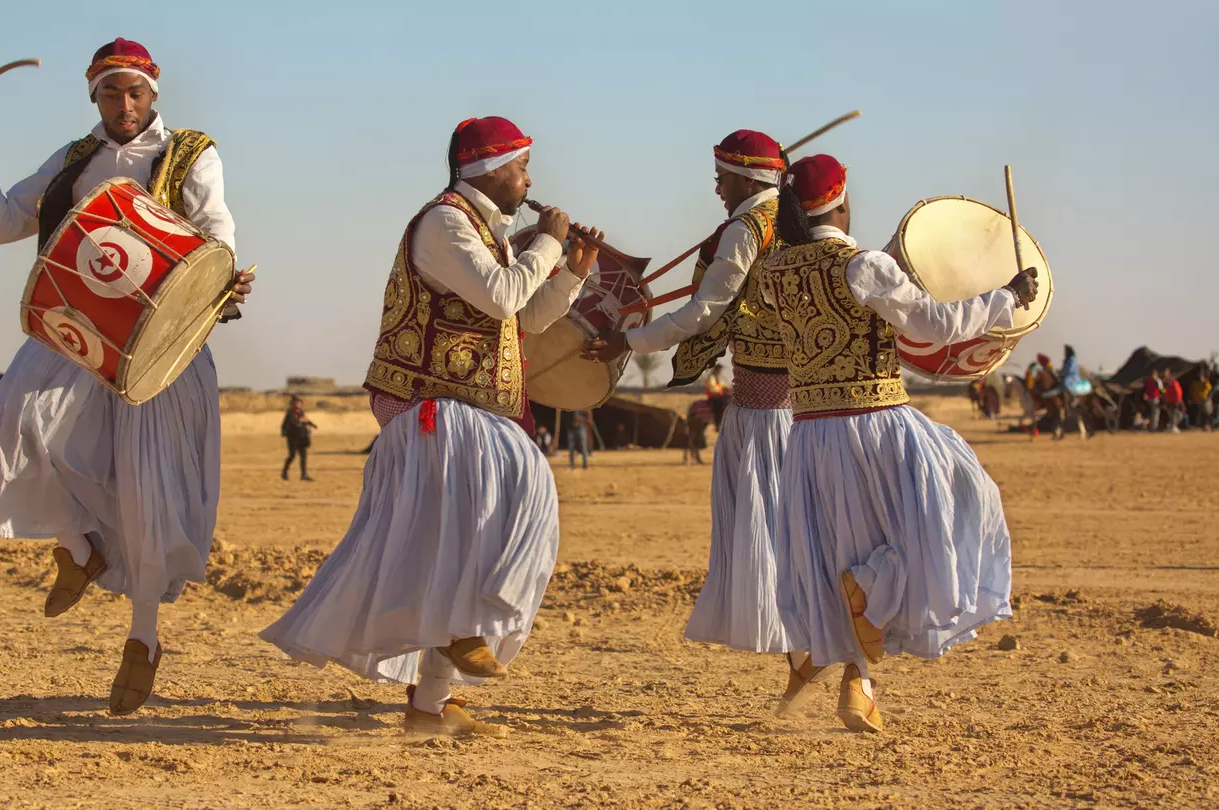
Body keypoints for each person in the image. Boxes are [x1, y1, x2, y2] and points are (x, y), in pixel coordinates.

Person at [0, 37, 253, 715]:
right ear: (94, 96)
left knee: (147, 490)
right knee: (11, 427)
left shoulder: (192, 152)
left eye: (134, 92)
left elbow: (217, 224)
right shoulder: (76, 159)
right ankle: (80, 549)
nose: (124, 104)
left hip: (162, 341)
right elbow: (3, 222)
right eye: (110, 92)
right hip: (80, 331)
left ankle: (143, 641)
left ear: (153, 94)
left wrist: (223, 272)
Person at [260, 116, 600, 735]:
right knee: (493, 506)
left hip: (466, 407)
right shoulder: (445, 222)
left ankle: (431, 704)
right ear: (491, 170)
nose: (529, 180)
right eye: (522, 167)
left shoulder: (485, 233)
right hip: (427, 403)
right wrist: (547, 243)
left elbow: (521, 321)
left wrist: (573, 270)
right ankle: (461, 629)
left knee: (509, 508)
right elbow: (503, 296)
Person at [760, 155, 1038, 732]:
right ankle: (867, 597)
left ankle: (847, 676)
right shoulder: (862, 266)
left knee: (838, 547)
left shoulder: (775, 271)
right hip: (875, 423)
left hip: (810, 434)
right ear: (842, 201)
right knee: (954, 505)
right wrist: (1004, 297)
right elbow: (933, 325)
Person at [585, 129, 802, 690]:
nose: (717, 189)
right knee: (809, 537)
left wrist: (626, 343)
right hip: (814, 407)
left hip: (764, 418)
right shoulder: (801, 220)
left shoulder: (747, 228)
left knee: (778, 540)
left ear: (746, 178)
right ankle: (821, 661)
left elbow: (705, 312)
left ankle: (818, 654)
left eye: (722, 178)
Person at [281, 396, 317, 481]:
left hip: (302, 437)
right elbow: (292, 423)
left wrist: (311, 424)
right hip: (293, 438)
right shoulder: (290, 413)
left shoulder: (301, 412)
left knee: (303, 456)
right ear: (293, 404)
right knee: (292, 455)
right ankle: (284, 472)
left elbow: (305, 420)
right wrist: (300, 421)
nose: (299, 404)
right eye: (297, 403)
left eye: (300, 403)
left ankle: (304, 475)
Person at [1189, 364, 1213, 432]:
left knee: (1206, 413)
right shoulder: (1195, 383)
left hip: (1205, 400)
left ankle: (1207, 426)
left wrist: (1205, 381)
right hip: (1198, 400)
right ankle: (1200, 426)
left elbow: (1209, 389)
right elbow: (1192, 391)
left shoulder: (1206, 383)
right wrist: (1191, 398)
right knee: (1199, 414)